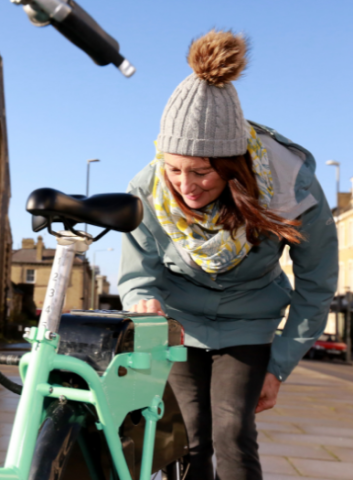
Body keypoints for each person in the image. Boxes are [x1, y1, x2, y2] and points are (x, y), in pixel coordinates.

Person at [118, 30, 337, 480]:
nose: (185, 184)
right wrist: (141, 301)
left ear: (234, 165)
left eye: (202, 171)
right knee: (189, 438)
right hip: (180, 323)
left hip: (249, 323)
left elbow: (316, 285)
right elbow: (137, 270)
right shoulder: (147, 187)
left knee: (233, 431)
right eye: (174, 168)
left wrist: (279, 365)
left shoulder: (291, 188)